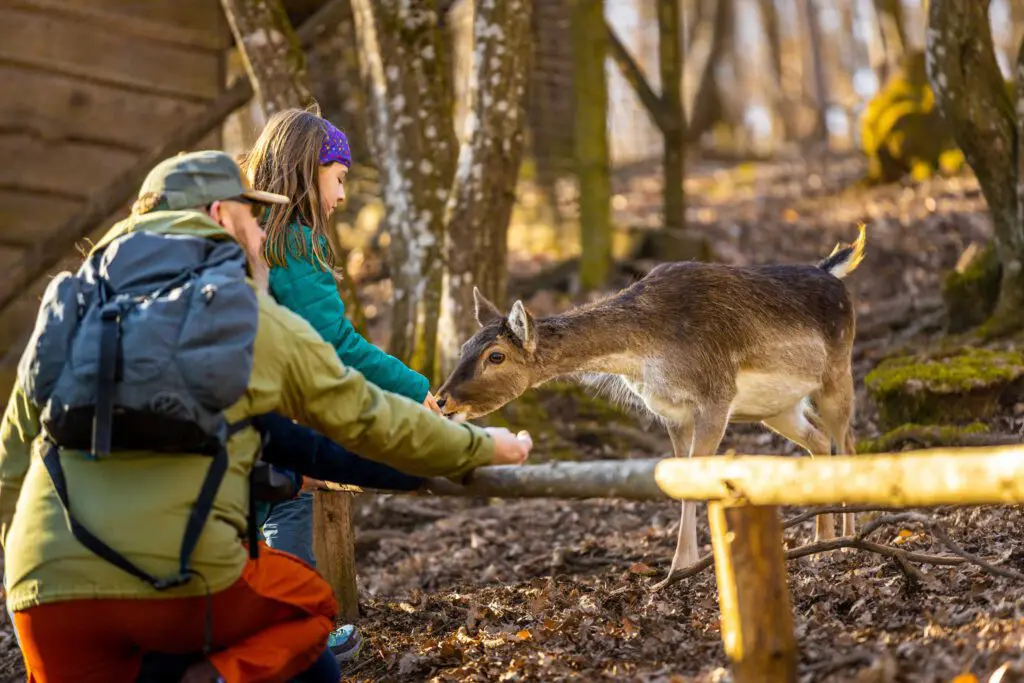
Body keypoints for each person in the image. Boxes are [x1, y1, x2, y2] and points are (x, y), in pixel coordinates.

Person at [0, 150, 533, 683]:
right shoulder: (240, 311)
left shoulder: (71, 303)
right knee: (310, 613)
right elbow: (362, 415)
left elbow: (12, 455)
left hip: (42, 589)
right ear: (217, 216)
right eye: (252, 217)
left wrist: (18, 558)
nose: (260, 236)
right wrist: (481, 446)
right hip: (181, 580)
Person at [236, 107, 441, 659]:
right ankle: (298, 634)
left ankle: (273, 627)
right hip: (259, 422)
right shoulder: (292, 244)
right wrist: (415, 387)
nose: (342, 196)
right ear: (308, 169)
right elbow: (335, 345)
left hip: (238, 412)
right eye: (339, 177)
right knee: (285, 504)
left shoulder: (250, 237)